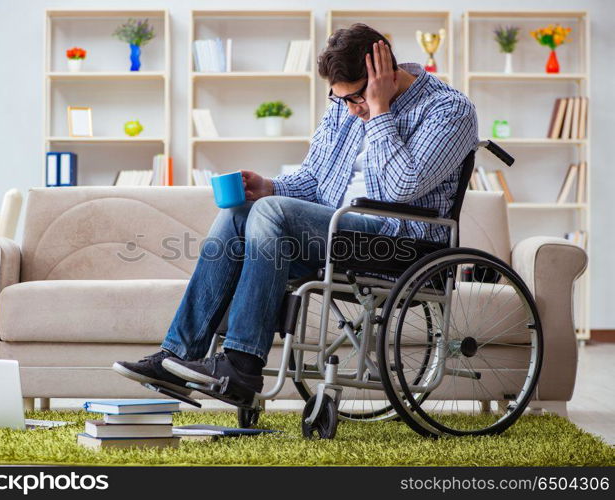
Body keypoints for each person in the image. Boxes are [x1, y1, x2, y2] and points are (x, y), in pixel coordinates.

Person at [113, 23, 478, 399]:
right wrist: (270, 188)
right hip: (337, 235)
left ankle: (240, 365)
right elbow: (314, 181)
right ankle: (179, 355)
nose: (353, 112)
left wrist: (381, 110)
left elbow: (404, 186)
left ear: (382, 74)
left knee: (270, 213)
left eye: (358, 98)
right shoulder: (343, 107)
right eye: (345, 101)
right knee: (240, 212)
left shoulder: (449, 109)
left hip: (400, 245)